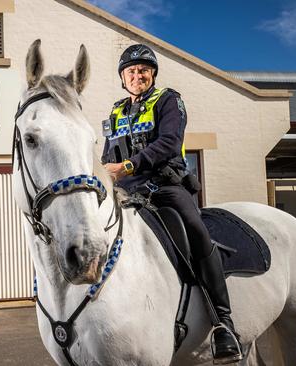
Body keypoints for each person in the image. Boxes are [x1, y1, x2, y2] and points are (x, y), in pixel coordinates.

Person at [102, 44, 242, 364]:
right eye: (131, 71)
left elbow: (169, 143)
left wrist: (126, 167)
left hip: (165, 186)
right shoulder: (115, 112)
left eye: (143, 70)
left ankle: (224, 323)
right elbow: (110, 154)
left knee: (196, 230)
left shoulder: (169, 100)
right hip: (126, 192)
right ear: (123, 78)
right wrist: (107, 172)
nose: (137, 75)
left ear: (152, 74)